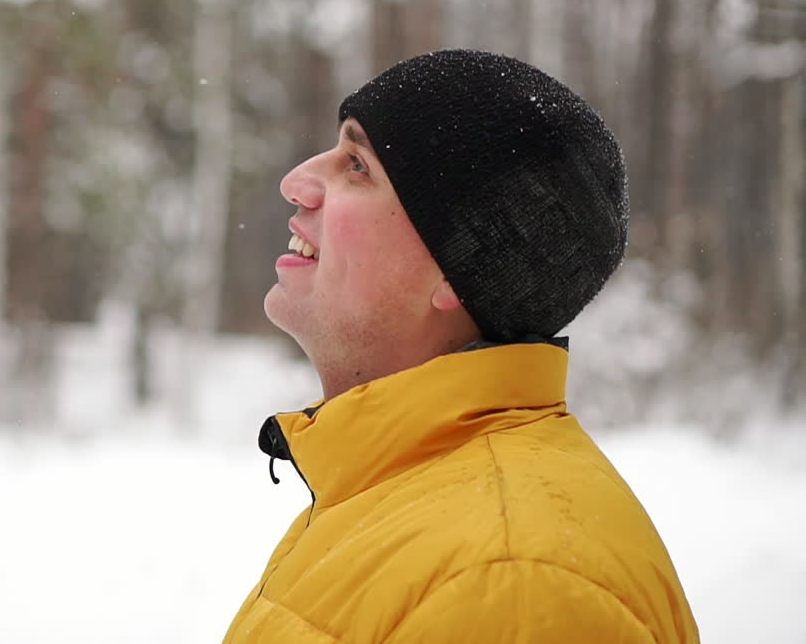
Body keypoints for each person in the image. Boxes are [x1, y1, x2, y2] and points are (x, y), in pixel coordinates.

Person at [222, 49, 698, 644]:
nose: (296, 181)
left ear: (458, 268)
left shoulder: (511, 582)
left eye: (358, 166)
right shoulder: (401, 502)